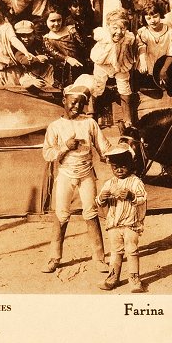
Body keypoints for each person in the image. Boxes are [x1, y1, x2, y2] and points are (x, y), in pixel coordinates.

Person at [41, 83, 112, 274]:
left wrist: (115, 155)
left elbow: (103, 147)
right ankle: (54, 257)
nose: (76, 107)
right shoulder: (55, 126)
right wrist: (65, 146)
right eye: (73, 103)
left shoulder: (89, 123)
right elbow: (47, 154)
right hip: (65, 174)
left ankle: (98, 258)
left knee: (91, 214)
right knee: (61, 215)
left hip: (86, 173)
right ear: (64, 101)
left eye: (81, 104)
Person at [95, 144, 148, 292]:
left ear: (131, 165)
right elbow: (98, 202)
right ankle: (113, 277)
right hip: (114, 224)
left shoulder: (136, 181)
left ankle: (134, 279)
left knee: (131, 250)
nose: (119, 170)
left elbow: (143, 198)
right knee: (116, 251)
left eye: (123, 166)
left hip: (131, 223)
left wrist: (132, 196)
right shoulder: (109, 183)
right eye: (115, 167)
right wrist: (102, 198)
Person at [91, 9, 138, 127]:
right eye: (115, 28)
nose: (119, 32)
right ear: (108, 27)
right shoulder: (103, 35)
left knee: (125, 89)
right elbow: (95, 33)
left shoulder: (128, 38)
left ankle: (128, 119)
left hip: (120, 64)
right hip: (103, 63)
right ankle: (92, 115)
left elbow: (133, 46)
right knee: (97, 87)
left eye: (122, 28)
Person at [0, 0, 34, 86]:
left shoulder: (6, 26)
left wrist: (25, 52)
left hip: (9, 70)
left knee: (13, 97)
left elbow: (13, 40)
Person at [43, 6, 88, 88]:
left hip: (80, 64)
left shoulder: (70, 30)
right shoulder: (47, 38)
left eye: (59, 20)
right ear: (45, 21)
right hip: (64, 69)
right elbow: (54, 53)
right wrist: (67, 59)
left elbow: (83, 45)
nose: (56, 24)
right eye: (52, 21)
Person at [136, 2, 172, 91]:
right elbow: (141, 48)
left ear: (160, 15)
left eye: (155, 16)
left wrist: (163, 70)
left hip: (163, 65)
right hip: (147, 66)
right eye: (148, 18)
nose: (152, 21)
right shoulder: (143, 32)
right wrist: (143, 63)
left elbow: (171, 53)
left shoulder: (169, 31)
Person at [12, 20, 55, 90]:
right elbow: (22, 59)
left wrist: (46, 57)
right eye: (22, 36)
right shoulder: (18, 48)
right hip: (26, 74)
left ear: (34, 34)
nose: (26, 38)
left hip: (44, 72)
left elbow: (50, 54)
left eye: (29, 35)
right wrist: (36, 59)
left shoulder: (39, 44)